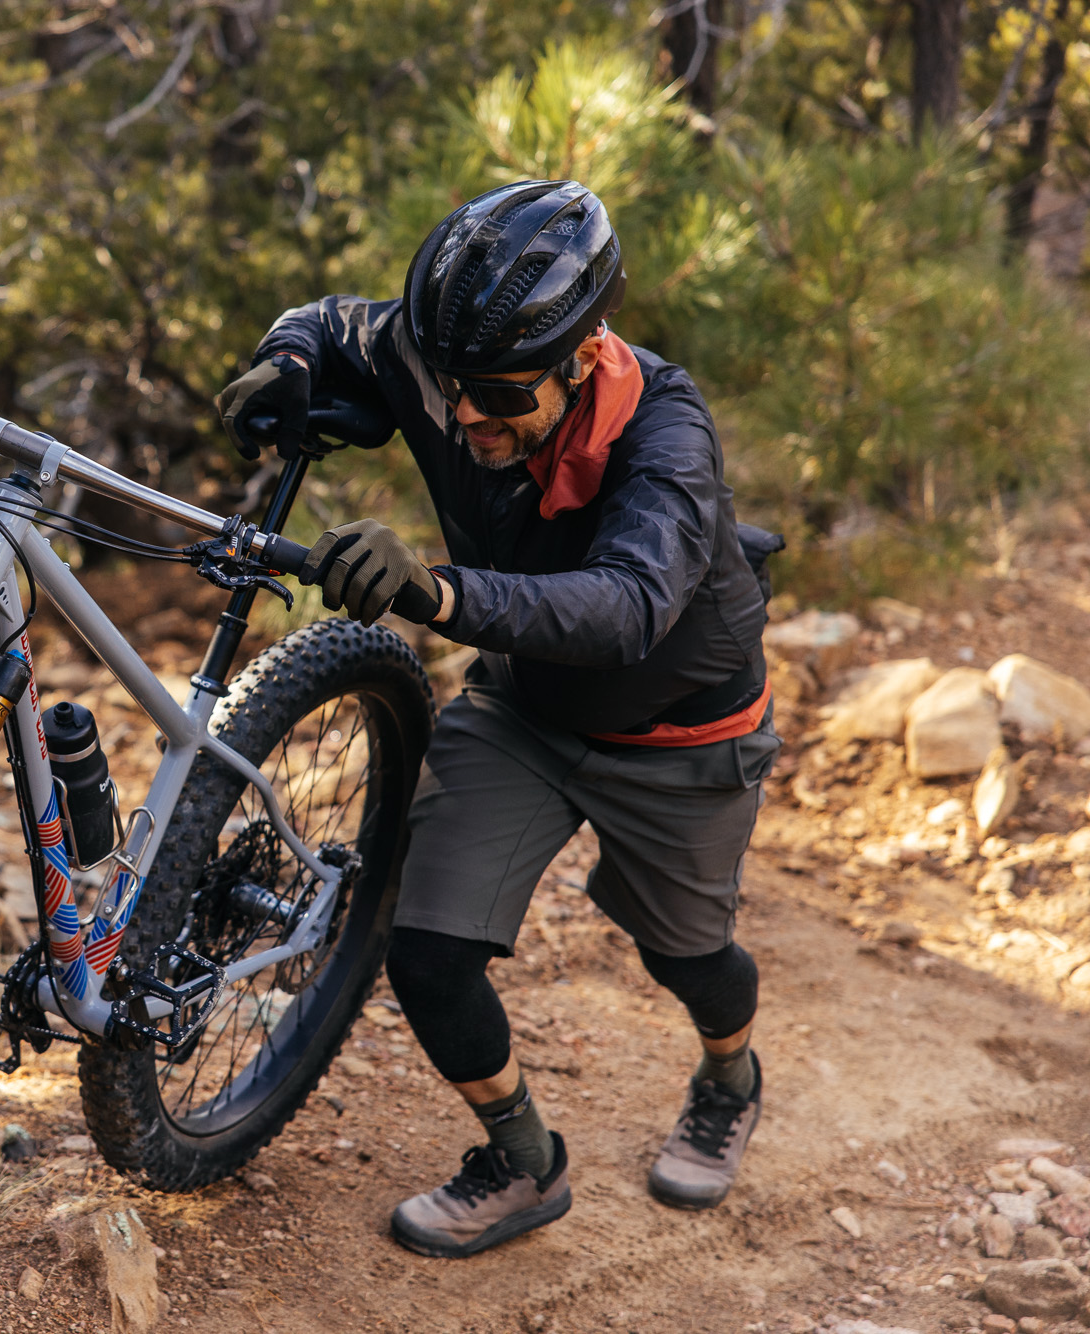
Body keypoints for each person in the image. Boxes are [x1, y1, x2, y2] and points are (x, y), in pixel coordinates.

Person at [215, 180, 778, 1259]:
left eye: (496, 396)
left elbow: (624, 607)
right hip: (522, 707)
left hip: (679, 739)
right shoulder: (449, 358)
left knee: (687, 954)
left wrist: (434, 592)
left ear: (578, 358)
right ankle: (523, 1160)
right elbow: (336, 325)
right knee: (424, 953)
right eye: (450, 387)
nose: (464, 414)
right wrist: (283, 364)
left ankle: (728, 1076)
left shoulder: (666, 432)